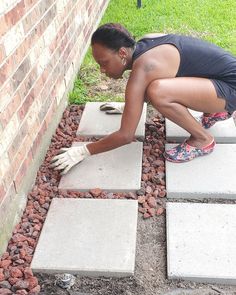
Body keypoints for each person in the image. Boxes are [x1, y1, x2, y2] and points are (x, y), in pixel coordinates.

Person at [51, 23, 236, 174]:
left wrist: (83, 151)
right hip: (220, 79)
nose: (102, 70)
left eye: (104, 63)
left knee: (159, 92)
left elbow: (125, 135)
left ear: (122, 54)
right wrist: (131, 106)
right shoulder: (147, 40)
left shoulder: (145, 66)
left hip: (230, 87)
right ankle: (215, 110)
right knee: (157, 87)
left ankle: (203, 140)